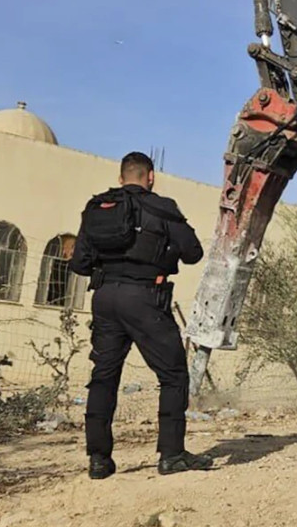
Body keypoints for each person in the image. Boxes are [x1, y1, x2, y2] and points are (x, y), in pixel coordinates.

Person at [68, 151, 213, 478]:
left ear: (121, 178)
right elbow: (193, 253)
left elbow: (78, 263)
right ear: (151, 177)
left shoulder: (97, 208)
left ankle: (99, 460)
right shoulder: (162, 207)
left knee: (104, 376)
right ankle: (171, 455)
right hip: (145, 299)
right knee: (174, 375)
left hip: (104, 298)